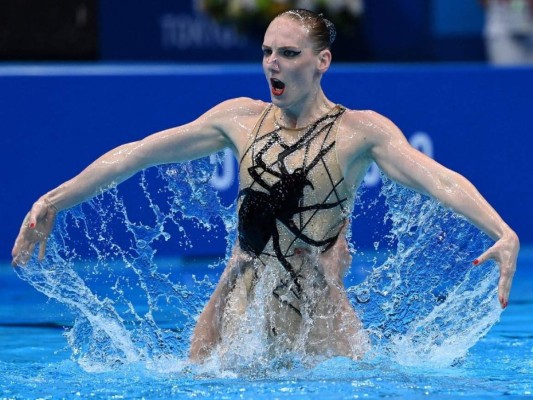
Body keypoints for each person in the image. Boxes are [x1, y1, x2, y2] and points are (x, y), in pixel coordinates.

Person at [11, 9, 519, 363]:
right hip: (238, 303)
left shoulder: (358, 132)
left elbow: (438, 180)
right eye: (267, 51)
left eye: (289, 53)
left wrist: (501, 230)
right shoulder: (240, 119)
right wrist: (53, 200)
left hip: (319, 311)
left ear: (322, 62)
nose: (273, 63)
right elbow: (138, 153)